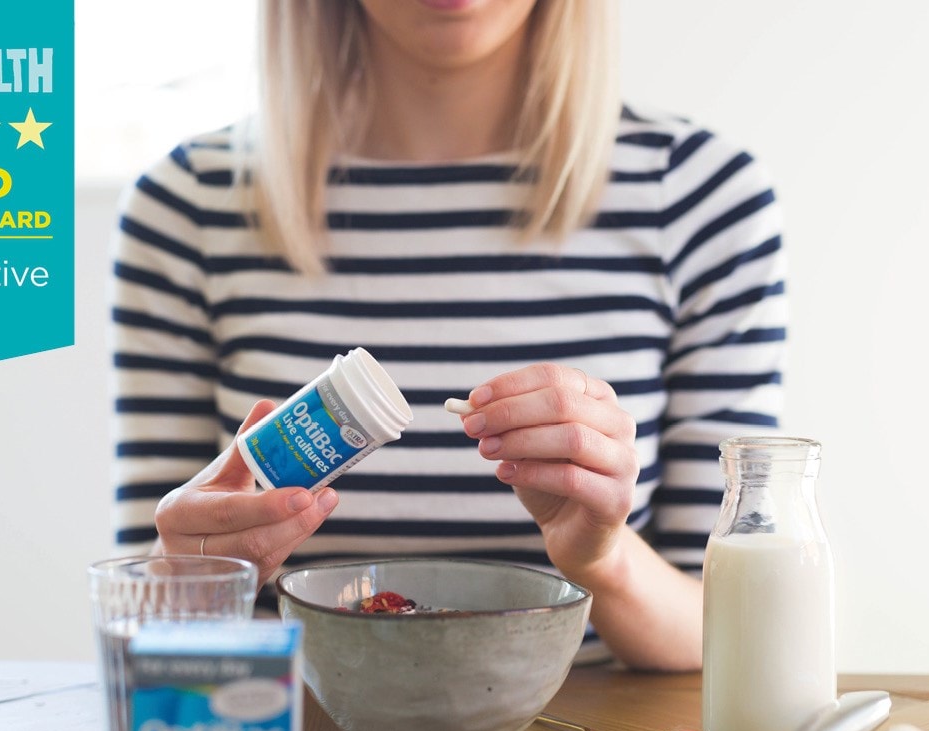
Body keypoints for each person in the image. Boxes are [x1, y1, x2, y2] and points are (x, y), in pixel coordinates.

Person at [108, 0, 786, 671]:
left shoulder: (701, 202)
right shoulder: (187, 209)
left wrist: (603, 557)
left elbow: (724, 634)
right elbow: (142, 635)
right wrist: (187, 580)